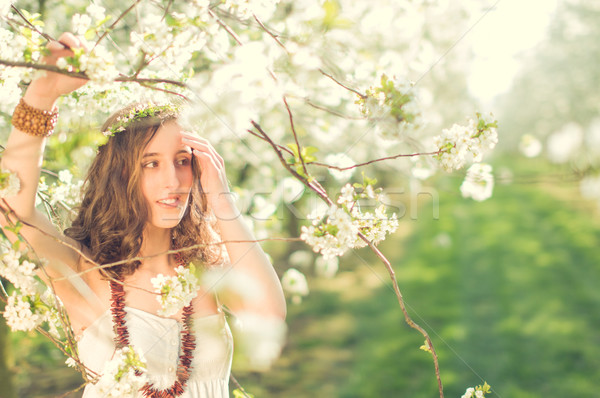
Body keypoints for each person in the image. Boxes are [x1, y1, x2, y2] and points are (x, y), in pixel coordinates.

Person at [0, 32, 286, 397]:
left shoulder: (206, 268)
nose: (173, 181)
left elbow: (269, 315)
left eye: (182, 161)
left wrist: (222, 201)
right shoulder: (84, 270)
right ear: (119, 175)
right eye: (150, 164)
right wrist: (42, 94)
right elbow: (11, 209)